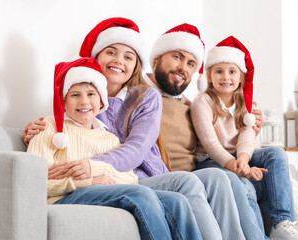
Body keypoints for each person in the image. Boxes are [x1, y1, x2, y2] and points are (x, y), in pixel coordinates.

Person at [23, 17, 246, 240]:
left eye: (128, 57)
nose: (119, 61)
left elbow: (137, 149)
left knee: (217, 178)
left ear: (136, 65)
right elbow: (64, 132)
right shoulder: (83, 103)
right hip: (121, 180)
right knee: (185, 183)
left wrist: (95, 166)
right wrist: (36, 129)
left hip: (140, 174)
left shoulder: (145, 97)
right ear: (96, 56)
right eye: (111, 52)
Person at [27, 57, 202, 240]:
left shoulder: (108, 137)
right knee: (140, 194)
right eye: (75, 95)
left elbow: (130, 177)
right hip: (63, 197)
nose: (84, 102)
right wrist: (88, 182)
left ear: (101, 101)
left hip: (99, 193)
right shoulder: (49, 128)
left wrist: (103, 176)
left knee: (176, 201)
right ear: (64, 100)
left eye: (91, 94)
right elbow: (32, 182)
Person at [144, 24, 268, 240]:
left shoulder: (188, 104)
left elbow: (216, 134)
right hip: (167, 177)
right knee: (225, 177)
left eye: (191, 63)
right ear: (156, 59)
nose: (183, 67)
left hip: (195, 174)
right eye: (176, 57)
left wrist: (251, 126)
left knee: (251, 176)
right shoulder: (139, 94)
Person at [190, 36, 298, 240]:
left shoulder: (247, 103)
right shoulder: (203, 102)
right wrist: (237, 166)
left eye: (232, 71)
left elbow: (247, 137)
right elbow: (210, 143)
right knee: (244, 186)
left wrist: (243, 160)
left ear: (241, 78)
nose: (226, 77)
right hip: (211, 161)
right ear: (209, 77)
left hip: (238, 157)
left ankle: (283, 223)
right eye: (219, 71)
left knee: (276, 154)